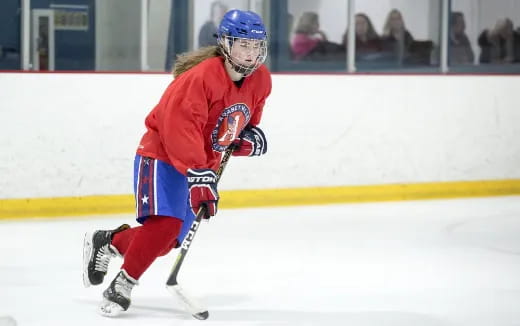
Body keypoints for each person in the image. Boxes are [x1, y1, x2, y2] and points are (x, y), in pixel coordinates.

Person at [82, 9, 271, 317]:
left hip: (199, 164)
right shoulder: (202, 77)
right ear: (226, 44)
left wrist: (244, 139)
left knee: (169, 239)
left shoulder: (261, 80)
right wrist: (199, 173)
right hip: (162, 154)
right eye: (243, 45)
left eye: (256, 46)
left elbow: (239, 124)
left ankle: (109, 241)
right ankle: (123, 284)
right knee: (165, 224)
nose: (250, 54)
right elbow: (180, 129)